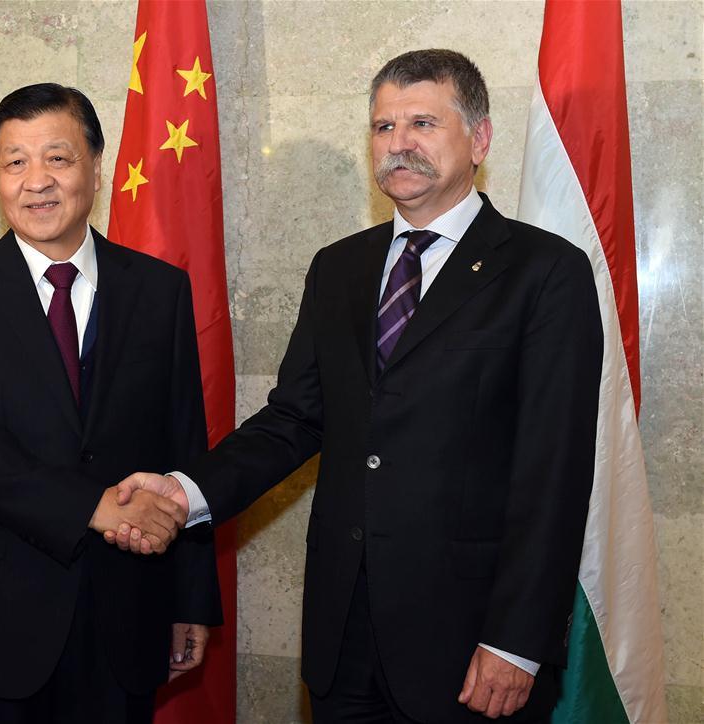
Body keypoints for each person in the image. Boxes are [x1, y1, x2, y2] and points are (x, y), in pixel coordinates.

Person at [112, 50, 603, 723]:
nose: (398, 144)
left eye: (423, 123)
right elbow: (294, 418)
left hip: (468, 645)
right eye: (382, 127)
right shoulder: (339, 267)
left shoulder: (545, 272)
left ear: (479, 138)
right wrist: (185, 491)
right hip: (343, 638)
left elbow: (554, 472)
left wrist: (516, 644)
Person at [0, 83, 221, 724]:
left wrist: (190, 597)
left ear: (96, 167)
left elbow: (184, 446)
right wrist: (95, 506)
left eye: (57, 157)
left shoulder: (159, 291)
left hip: (127, 612)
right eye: (14, 162)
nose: (36, 182)